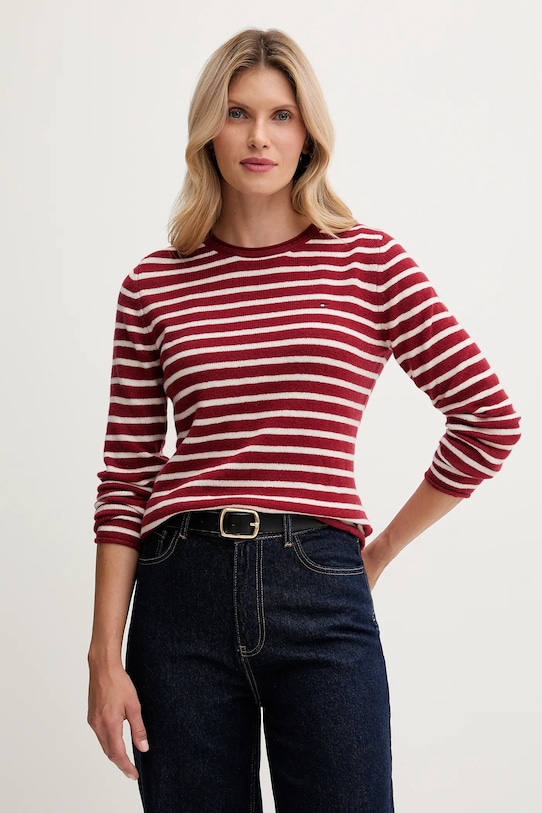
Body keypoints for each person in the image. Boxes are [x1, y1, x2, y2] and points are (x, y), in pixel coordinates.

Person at [87, 28, 521, 813]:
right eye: (237, 113)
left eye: (281, 115)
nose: (259, 136)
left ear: (308, 133)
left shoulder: (368, 263)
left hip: (320, 585)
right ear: (207, 131)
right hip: (179, 592)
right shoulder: (153, 285)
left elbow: (488, 419)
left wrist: (377, 552)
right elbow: (125, 476)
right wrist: (102, 657)